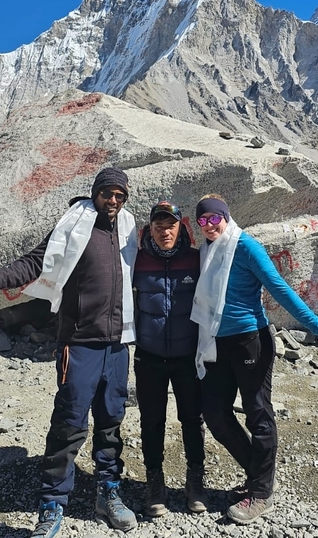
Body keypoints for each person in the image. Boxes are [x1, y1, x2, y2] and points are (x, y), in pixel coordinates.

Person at [0, 167, 138, 537]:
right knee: (69, 423)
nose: (113, 200)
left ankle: (108, 492)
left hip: (117, 344)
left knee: (111, 421)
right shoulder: (75, 225)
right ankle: (52, 504)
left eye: (119, 195)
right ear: (95, 193)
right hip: (79, 343)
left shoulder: (128, 229)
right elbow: (37, 260)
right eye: (107, 193)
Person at [190, 194, 318, 525]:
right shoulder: (207, 249)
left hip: (251, 342)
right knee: (215, 413)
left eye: (215, 218)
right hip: (216, 343)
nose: (209, 225)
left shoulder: (246, 247)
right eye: (203, 220)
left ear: (226, 217)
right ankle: (258, 476)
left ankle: (260, 493)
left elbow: (279, 289)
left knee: (258, 413)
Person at [132, 201, 207, 517]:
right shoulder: (137, 261)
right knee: (151, 421)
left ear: (181, 227)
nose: (165, 231)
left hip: (188, 356)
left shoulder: (196, 259)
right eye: (159, 226)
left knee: (192, 419)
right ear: (150, 229)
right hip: (148, 356)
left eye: (171, 225)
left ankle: (195, 479)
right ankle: (155, 482)